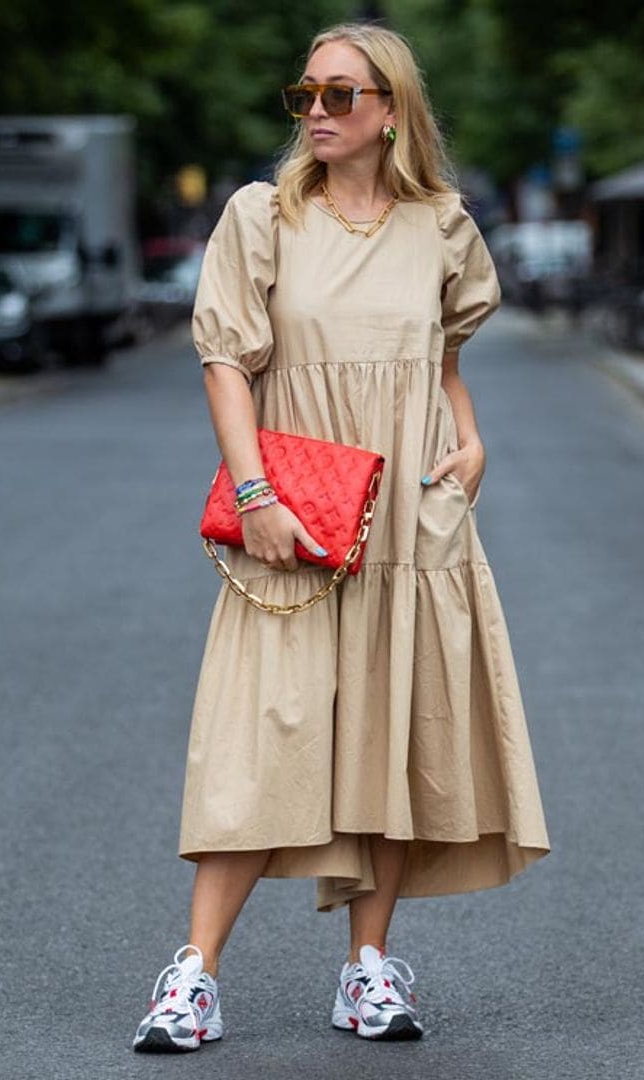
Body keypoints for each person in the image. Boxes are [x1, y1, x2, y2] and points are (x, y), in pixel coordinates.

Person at [132, 21, 550, 1053]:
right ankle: (194, 976)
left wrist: (472, 437)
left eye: (341, 95)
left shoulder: (442, 226)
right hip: (300, 511)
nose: (317, 111)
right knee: (256, 731)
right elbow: (225, 361)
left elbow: (440, 356)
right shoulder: (262, 216)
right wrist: (256, 489)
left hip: (411, 510)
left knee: (391, 730)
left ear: (391, 112)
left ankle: (367, 969)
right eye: (305, 94)